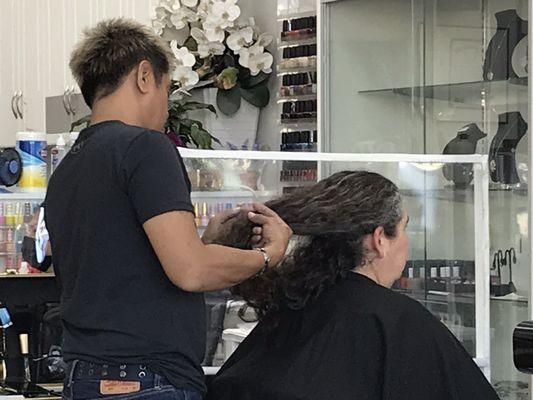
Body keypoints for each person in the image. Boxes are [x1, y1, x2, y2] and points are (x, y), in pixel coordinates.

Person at [43, 19, 292, 400]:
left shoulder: (69, 167)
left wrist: (205, 242)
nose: (166, 103)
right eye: (167, 87)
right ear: (145, 76)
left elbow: (122, 267)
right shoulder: (145, 147)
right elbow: (190, 271)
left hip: (84, 378)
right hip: (146, 380)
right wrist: (267, 256)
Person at [208, 170, 501, 400]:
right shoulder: (399, 321)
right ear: (379, 239)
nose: (408, 240)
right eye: (404, 228)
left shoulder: (294, 307)